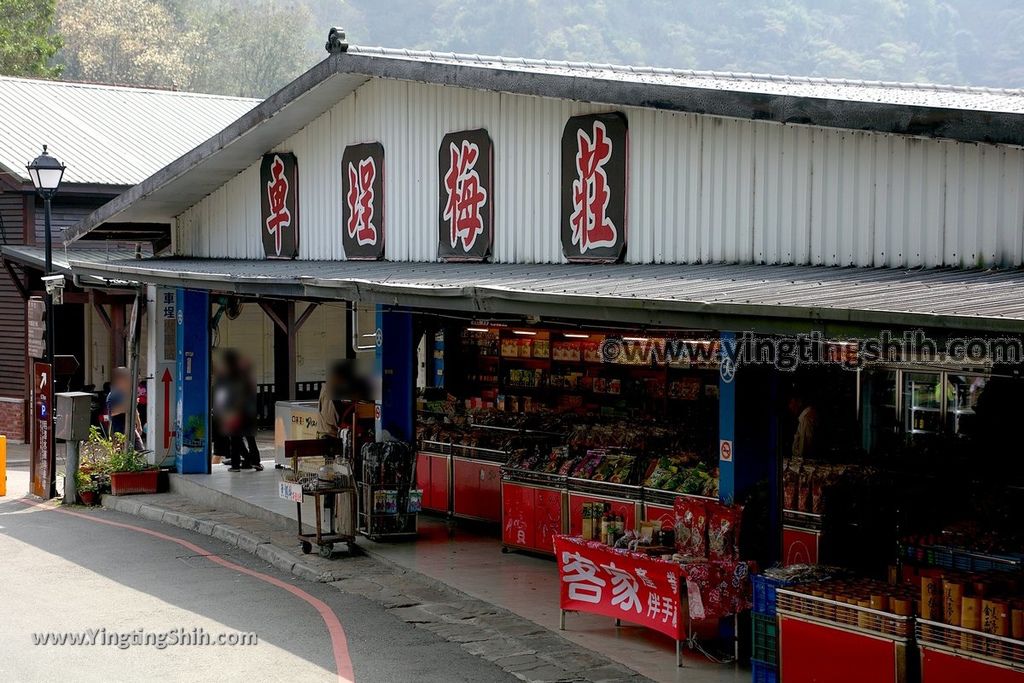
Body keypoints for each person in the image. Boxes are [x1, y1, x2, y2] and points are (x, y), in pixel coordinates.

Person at [106, 367, 143, 449]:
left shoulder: (129, 393)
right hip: (118, 429)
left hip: (131, 428)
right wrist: (128, 406)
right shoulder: (114, 394)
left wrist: (139, 424)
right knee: (120, 454)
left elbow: (134, 409)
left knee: (139, 451)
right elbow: (111, 411)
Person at [788, 388, 819, 461]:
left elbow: (804, 450)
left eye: (791, 402)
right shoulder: (804, 417)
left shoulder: (806, 418)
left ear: (799, 402)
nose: (790, 406)